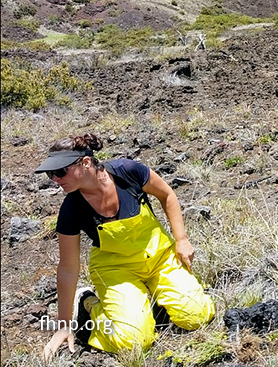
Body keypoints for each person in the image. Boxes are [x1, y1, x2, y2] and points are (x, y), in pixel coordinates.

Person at [36, 134, 214, 359]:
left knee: (196, 317)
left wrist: (181, 240)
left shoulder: (128, 172)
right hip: (117, 269)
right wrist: (63, 325)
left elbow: (167, 195)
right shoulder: (71, 209)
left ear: (86, 163)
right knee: (134, 341)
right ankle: (89, 304)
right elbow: (68, 269)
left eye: (60, 171)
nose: (55, 179)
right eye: (50, 174)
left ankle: (150, 298)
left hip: (160, 256)